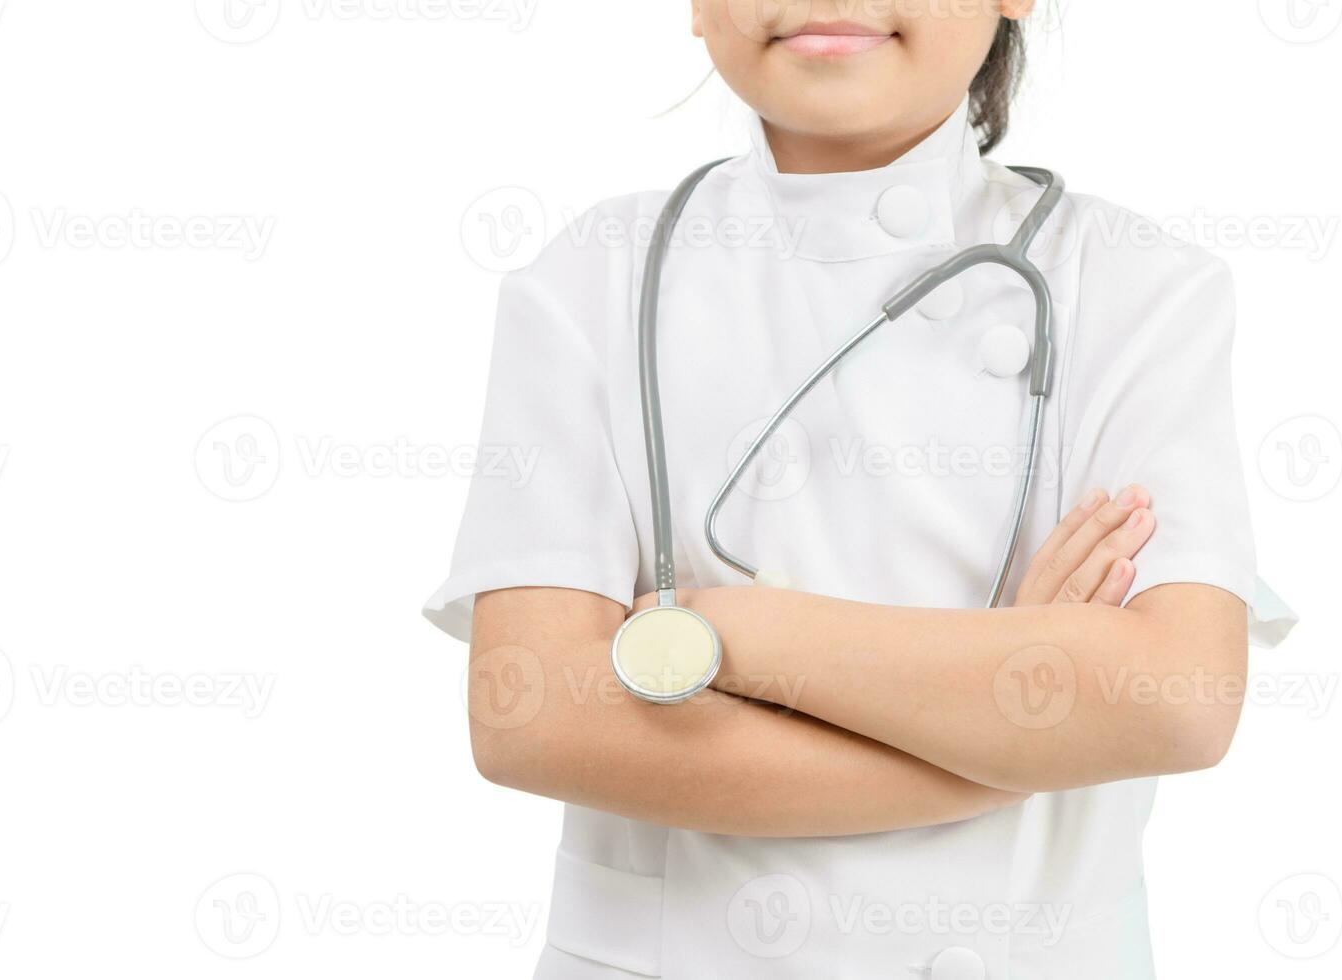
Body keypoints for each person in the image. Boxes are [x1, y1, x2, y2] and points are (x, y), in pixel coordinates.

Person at [425, 3, 1295, 976]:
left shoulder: (1139, 288)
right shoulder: (591, 277)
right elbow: (530, 713)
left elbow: (1173, 695)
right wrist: (1007, 737)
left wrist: (720, 632)